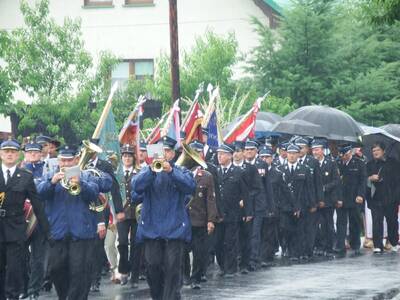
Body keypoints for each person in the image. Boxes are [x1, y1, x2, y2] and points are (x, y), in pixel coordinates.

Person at [37, 145, 109, 300]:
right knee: (55, 269)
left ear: (76, 160)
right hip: (57, 232)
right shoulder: (50, 174)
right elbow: (39, 193)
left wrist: (80, 183)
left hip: (81, 232)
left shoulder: (86, 175)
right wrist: (52, 182)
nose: (66, 164)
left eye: (69, 160)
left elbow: (94, 194)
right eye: (63, 160)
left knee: (80, 272)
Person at [131, 136, 196, 300]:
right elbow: (136, 187)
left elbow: (190, 186)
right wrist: (152, 171)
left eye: (167, 151)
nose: (164, 154)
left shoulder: (181, 170)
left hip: (174, 229)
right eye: (161, 151)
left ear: (173, 154)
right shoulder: (146, 170)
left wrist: (171, 171)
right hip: (152, 229)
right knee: (152, 268)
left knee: (172, 269)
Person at [0, 139, 50, 300]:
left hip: (16, 228)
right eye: (6, 151)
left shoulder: (26, 176)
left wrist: (48, 231)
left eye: (13, 152)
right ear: (1, 154)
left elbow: (37, 206)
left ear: (19, 155)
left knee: (14, 268)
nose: (9, 154)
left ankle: (12, 295)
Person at [185, 140, 217, 289]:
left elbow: (210, 199)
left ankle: (195, 278)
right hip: (183, 219)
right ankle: (184, 275)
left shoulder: (206, 176)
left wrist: (211, 219)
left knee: (199, 251)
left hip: (199, 219)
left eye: (198, 152)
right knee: (183, 250)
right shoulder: (181, 173)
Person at [214, 143, 249, 277]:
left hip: (233, 212)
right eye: (218, 154)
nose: (219, 156)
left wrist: (247, 212)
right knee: (217, 243)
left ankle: (231, 268)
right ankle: (223, 266)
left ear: (229, 156)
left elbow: (245, 194)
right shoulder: (216, 172)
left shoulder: (239, 172)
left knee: (231, 242)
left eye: (222, 154)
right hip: (218, 213)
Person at [277, 144, 314, 261]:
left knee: (301, 229)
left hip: (302, 204)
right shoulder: (280, 169)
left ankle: (299, 251)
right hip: (285, 206)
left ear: (298, 154)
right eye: (289, 153)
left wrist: (312, 204)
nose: (291, 156)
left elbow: (309, 188)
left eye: (294, 153)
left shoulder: (305, 169)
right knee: (286, 229)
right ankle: (288, 248)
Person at [243, 140, 276, 270]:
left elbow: (267, 187)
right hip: (244, 205)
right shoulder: (241, 165)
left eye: (251, 149)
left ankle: (253, 259)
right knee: (245, 233)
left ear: (256, 151)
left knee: (255, 233)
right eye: (247, 150)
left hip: (258, 204)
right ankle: (244, 257)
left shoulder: (262, 164)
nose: (249, 152)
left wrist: (271, 206)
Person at [23, 142, 48, 300]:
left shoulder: (47, 169)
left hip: (40, 218)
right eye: (29, 152)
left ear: (40, 154)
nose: (32, 154)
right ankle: (24, 286)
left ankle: (34, 290)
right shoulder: (18, 170)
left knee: (39, 258)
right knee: (20, 257)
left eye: (35, 152)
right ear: (25, 154)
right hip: (21, 218)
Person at [366, 142, 400, 253]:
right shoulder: (369, 164)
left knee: (392, 221)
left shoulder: (393, 162)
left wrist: (396, 197)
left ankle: (394, 242)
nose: (375, 152)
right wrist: (371, 178)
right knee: (376, 222)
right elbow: (364, 180)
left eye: (378, 150)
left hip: (390, 198)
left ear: (383, 151)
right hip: (376, 198)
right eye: (373, 151)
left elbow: (397, 181)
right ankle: (378, 245)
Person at [311, 139, 340, 258]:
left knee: (328, 224)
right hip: (315, 200)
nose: (315, 152)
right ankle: (319, 246)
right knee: (316, 224)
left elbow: (336, 180)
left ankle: (329, 247)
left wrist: (324, 188)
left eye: (317, 150)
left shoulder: (331, 163)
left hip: (328, 199)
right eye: (313, 150)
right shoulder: (310, 163)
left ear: (322, 150)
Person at [335, 145, 366, 257]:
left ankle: (356, 245)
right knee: (341, 223)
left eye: (346, 155)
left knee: (355, 222)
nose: (344, 157)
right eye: (342, 155)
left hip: (354, 198)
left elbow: (363, 181)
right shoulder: (337, 163)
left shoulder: (359, 163)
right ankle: (340, 245)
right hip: (341, 198)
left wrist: (360, 195)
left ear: (350, 153)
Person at [117, 144, 141, 288]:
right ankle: (124, 270)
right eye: (124, 156)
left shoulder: (138, 172)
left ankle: (135, 276)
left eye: (129, 156)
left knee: (136, 244)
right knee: (122, 243)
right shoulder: (118, 174)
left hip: (136, 213)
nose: (126, 158)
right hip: (122, 214)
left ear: (133, 158)